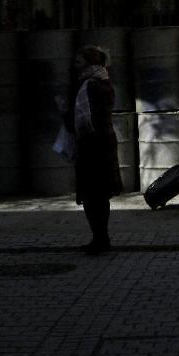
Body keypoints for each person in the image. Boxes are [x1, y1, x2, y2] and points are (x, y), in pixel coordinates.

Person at [66, 46, 122, 253]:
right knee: (101, 194)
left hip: (92, 144)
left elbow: (82, 119)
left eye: (79, 62)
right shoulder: (105, 81)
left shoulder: (88, 86)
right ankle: (102, 237)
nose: (75, 66)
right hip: (106, 141)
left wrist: (66, 112)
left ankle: (98, 239)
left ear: (90, 64)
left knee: (90, 194)